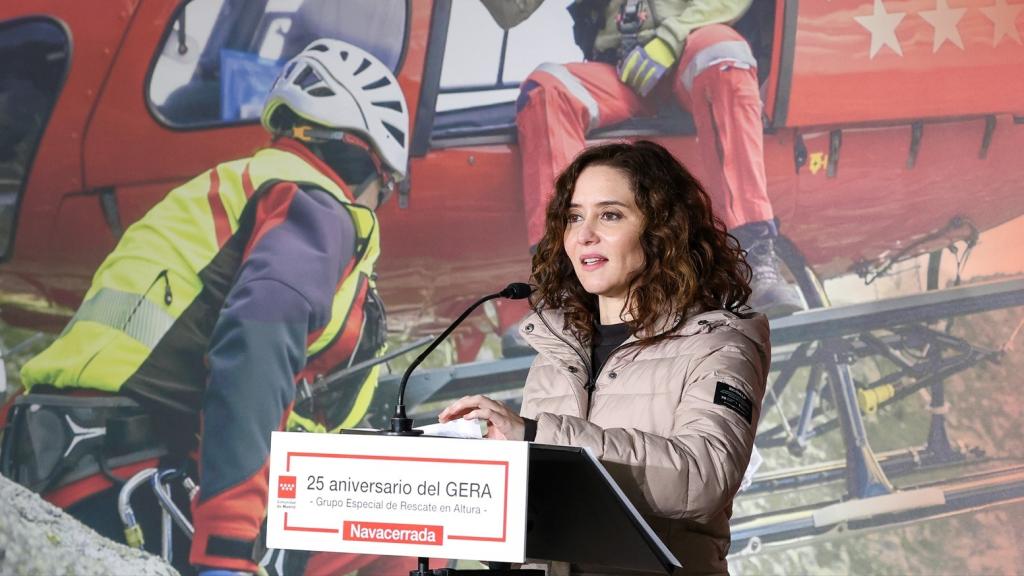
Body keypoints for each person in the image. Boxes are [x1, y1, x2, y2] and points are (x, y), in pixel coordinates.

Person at [1, 39, 407, 575]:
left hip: (62, 467)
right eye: (389, 189)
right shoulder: (315, 204)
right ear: (370, 166)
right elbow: (257, 346)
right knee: (437, 505)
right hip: (141, 488)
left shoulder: (227, 192)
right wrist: (229, 546)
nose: (380, 205)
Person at [439, 140, 769, 575]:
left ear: (662, 229)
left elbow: (703, 476)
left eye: (610, 215)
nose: (584, 234)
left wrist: (537, 435)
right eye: (574, 217)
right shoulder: (556, 354)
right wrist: (475, 502)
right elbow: (545, 518)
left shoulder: (718, 342)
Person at [481, 0, 805, 318]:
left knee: (723, 54)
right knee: (546, 88)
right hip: (625, 71)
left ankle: (754, 257)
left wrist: (669, 39)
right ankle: (565, 281)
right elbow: (511, 10)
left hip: (688, 54)